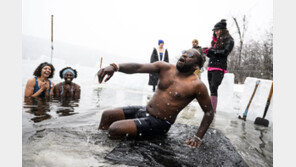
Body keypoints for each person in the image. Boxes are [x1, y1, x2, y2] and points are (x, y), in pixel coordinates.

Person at [97, 48, 214, 148]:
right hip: (145, 110)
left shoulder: (197, 85)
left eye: (190, 55)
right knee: (107, 115)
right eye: (184, 52)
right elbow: (138, 67)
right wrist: (115, 67)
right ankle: (97, 145)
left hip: (160, 122)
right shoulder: (165, 67)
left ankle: (111, 151)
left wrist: (198, 137)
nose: (184, 55)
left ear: (196, 66)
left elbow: (209, 112)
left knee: (115, 128)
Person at [203, 19, 234, 114]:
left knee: (213, 87)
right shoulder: (215, 41)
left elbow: (225, 53)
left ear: (222, 30)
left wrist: (212, 51)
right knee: (211, 88)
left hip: (220, 67)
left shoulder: (229, 40)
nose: (215, 32)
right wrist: (207, 52)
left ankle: (212, 111)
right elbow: (213, 54)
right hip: (211, 66)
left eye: (217, 30)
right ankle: (210, 109)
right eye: (214, 31)